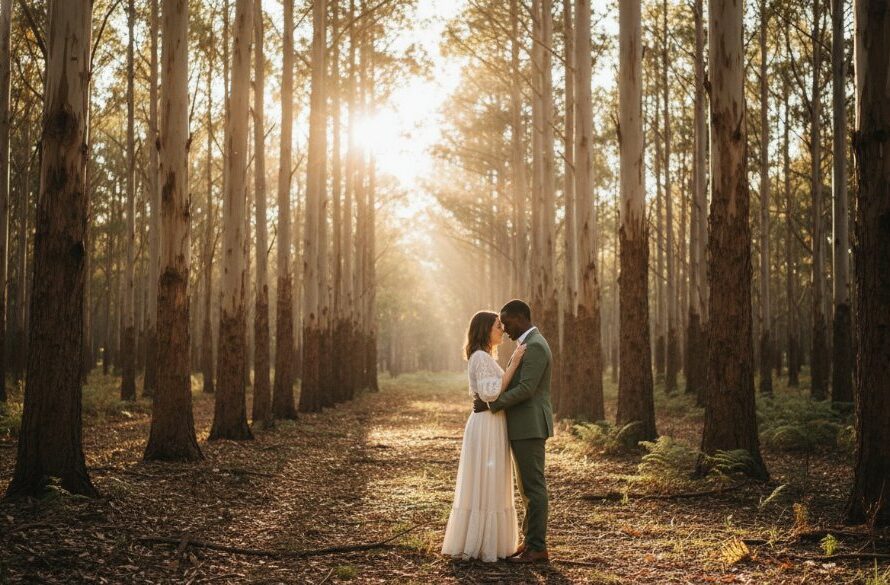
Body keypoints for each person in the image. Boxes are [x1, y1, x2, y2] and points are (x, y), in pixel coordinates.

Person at [441, 310, 526, 562]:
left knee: (493, 479)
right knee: (484, 480)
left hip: (493, 424)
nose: (502, 329)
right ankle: (479, 543)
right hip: (486, 425)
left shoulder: (485, 357)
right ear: (485, 330)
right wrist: (513, 363)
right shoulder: (480, 357)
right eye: (498, 326)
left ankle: (493, 542)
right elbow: (491, 393)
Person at [473, 299, 553, 564]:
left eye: (506, 323)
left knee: (533, 487)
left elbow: (527, 389)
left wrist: (492, 404)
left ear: (520, 317)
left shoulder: (536, 346)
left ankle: (537, 548)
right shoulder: (525, 344)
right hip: (521, 425)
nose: (505, 329)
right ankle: (530, 542)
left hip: (530, 425)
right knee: (526, 488)